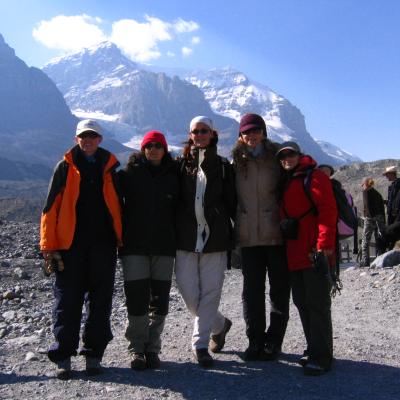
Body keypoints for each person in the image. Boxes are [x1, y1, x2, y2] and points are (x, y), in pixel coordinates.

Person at [40, 119, 122, 379]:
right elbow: (50, 208)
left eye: (93, 136)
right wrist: (48, 245)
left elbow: (122, 206)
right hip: (69, 247)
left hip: (103, 245)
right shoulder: (64, 168)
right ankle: (63, 356)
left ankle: (93, 355)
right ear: (77, 139)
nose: (88, 140)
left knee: (101, 303)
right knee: (67, 301)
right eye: (83, 136)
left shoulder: (111, 168)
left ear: (100, 139)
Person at [175, 116, 236, 367]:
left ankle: (200, 346)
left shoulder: (223, 166)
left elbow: (232, 202)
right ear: (190, 135)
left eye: (204, 131)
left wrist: (235, 236)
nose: (199, 135)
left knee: (210, 293)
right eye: (195, 131)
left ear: (212, 134)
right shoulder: (179, 165)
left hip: (215, 239)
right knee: (189, 294)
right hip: (185, 238)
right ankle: (220, 324)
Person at [118, 130, 179, 371]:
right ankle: (137, 348)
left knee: (159, 300)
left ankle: (152, 348)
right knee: (136, 298)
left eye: (158, 146)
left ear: (165, 150)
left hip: (164, 246)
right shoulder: (128, 174)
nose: (153, 149)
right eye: (149, 145)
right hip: (134, 246)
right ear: (142, 149)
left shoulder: (175, 175)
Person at [232, 113, 290, 361]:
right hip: (248, 237)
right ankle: (255, 340)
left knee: (279, 291)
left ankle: (273, 342)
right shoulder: (234, 162)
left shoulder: (277, 158)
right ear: (240, 136)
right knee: (252, 292)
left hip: (275, 235)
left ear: (264, 133)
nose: (251, 136)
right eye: (247, 132)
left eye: (256, 131)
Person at [277, 141, 337, 376]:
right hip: (294, 252)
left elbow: (327, 210)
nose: (286, 159)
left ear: (299, 155)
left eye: (290, 154)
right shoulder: (288, 179)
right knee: (302, 302)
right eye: (282, 156)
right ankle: (314, 348)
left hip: (314, 251)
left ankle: (322, 357)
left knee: (317, 303)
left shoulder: (314, 177)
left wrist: (325, 245)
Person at [360, 177, 386, 266]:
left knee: (365, 240)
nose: (361, 185)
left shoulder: (365, 192)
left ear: (366, 184)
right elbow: (382, 208)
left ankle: (365, 261)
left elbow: (366, 206)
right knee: (379, 238)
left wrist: (368, 217)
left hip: (370, 218)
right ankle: (381, 258)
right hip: (380, 218)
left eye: (362, 184)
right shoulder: (377, 193)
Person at [383, 166, 400, 249]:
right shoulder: (394, 185)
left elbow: (397, 200)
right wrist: (387, 202)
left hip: (396, 216)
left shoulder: (397, 185)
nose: (386, 177)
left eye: (387, 174)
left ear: (391, 174)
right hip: (393, 215)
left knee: (391, 233)